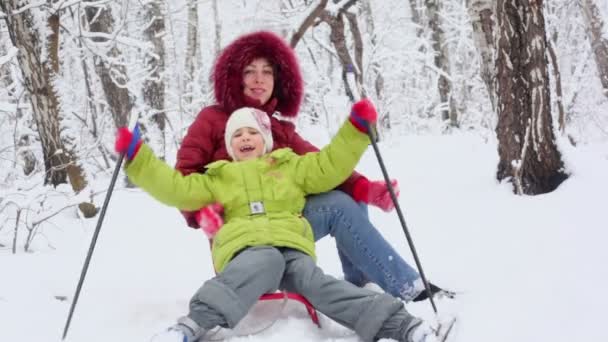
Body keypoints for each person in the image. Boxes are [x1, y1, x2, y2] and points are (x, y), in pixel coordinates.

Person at [115, 100, 439, 342]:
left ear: (266, 139)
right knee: (265, 258)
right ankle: (190, 325)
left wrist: (354, 132)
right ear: (229, 145)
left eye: (252, 132)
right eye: (237, 134)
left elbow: (328, 166)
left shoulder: (289, 167)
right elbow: (176, 189)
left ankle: (400, 324)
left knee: (316, 282)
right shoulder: (219, 177)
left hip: (292, 248)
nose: (244, 138)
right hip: (247, 252)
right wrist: (138, 159)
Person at [175, 30, 447, 302]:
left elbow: (323, 167)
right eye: (250, 71)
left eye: (267, 72)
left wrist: (364, 188)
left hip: (282, 221)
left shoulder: (280, 129)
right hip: (238, 232)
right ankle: (409, 288)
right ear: (235, 76)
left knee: (349, 196)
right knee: (339, 207)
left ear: (277, 79)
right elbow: (184, 177)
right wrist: (203, 213)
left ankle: (362, 282)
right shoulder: (212, 119)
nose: (259, 79)